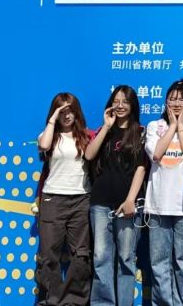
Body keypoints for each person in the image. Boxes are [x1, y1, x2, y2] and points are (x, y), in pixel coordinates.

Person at [144, 79, 183, 306]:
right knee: (159, 263)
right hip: (158, 204)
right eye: (172, 99)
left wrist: (180, 126)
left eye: (182, 99)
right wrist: (171, 126)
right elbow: (156, 154)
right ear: (165, 102)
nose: (177, 103)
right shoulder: (154, 126)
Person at [85, 85, 147, 306]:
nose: (120, 106)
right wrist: (106, 126)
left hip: (128, 205)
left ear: (132, 105)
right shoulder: (104, 131)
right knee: (101, 257)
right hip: (101, 203)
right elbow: (89, 155)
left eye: (125, 101)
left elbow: (141, 168)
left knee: (126, 258)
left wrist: (130, 200)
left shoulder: (140, 132)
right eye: (116, 101)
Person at [35, 92, 93, 306]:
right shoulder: (49, 135)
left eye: (71, 111)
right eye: (62, 111)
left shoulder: (86, 136)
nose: (67, 115)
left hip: (80, 199)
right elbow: (44, 146)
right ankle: (51, 300)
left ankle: (74, 301)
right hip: (53, 199)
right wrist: (52, 119)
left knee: (80, 255)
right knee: (49, 254)